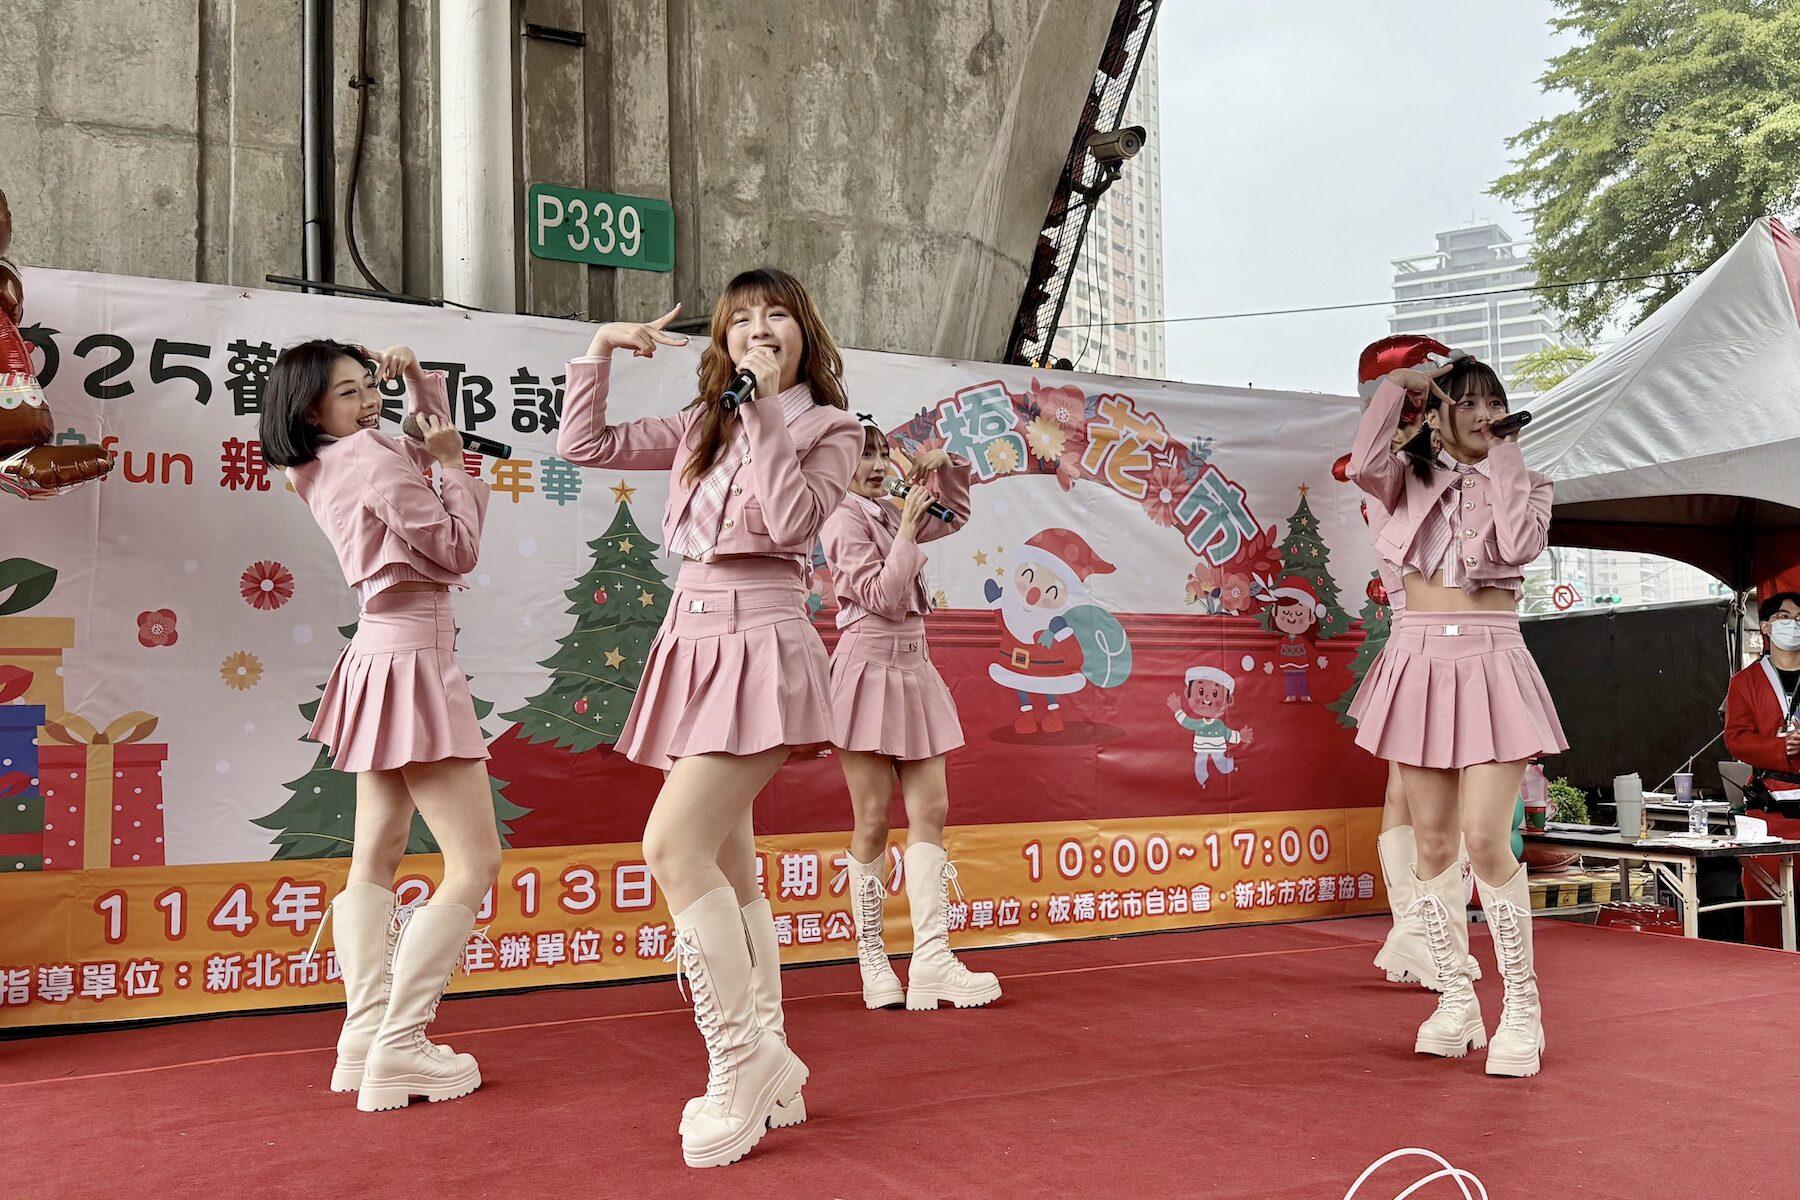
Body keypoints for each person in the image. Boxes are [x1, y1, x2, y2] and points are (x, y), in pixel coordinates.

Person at [555, 268, 861, 1168]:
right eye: (741, 320)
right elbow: (586, 444)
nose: (759, 330)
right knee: (731, 865)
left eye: (777, 316)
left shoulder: (831, 429)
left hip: (762, 638)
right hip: (690, 639)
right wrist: (599, 351)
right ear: (722, 340)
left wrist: (763, 410)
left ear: (804, 334)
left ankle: (742, 1060)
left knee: (671, 847)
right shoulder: (702, 422)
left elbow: (792, 523)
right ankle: (776, 1063)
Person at [263, 342, 501, 1112]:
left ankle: (363, 1037)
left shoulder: (317, 465)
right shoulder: (369, 459)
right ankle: (402, 1043)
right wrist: (455, 466)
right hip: (414, 657)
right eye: (349, 392)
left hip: (375, 654)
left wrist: (419, 386)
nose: (369, 401)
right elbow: (456, 545)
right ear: (311, 408)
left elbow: (415, 442)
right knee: (474, 861)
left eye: (370, 386)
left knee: (376, 854)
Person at [1347, 354, 1567, 1078]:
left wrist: (1504, 454)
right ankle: (1455, 1000)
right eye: (1466, 403)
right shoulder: (1406, 479)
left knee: (1485, 837)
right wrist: (1397, 388)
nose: (1482, 415)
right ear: (1438, 414)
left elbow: (1520, 543)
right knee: (1433, 843)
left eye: (1493, 403)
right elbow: (1364, 463)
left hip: (1493, 658)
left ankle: (1522, 1008)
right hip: (1417, 658)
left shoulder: (1527, 481)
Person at [818, 420, 1001, 1011]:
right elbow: (882, 597)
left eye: (881, 454)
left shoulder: (893, 508)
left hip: (915, 666)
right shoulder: (840, 519)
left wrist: (947, 467)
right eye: (862, 456)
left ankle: (931, 958)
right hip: (867, 667)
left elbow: (957, 514)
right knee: (872, 819)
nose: (877, 466)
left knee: (932, 810)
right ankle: (872, 959)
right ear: (837, 465)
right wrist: (903, 528)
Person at [1724, 592, 1800, 804]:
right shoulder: (1744, 681)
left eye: (1799, 618)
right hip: (1770, 800)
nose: (1794, 623)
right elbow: (1737, 739)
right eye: (1784, 616)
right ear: (1765, 627)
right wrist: (1782, 746)